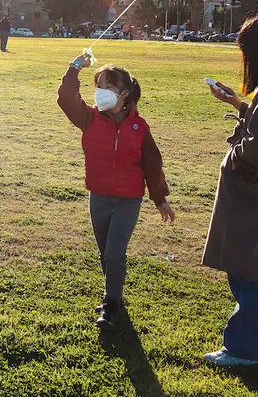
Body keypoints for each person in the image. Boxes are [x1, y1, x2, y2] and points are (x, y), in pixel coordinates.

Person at [58, 52, 175, 329]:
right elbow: (66, 99)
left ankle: (111, 304)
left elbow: (152, 164)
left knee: (114, 252)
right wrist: (74, 67)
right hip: (98, 198)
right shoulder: (89, 118)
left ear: (124, 94)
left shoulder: (139, 126)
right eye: (97, 87)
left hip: (127, 201)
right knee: (105, 253)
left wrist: (159, 199)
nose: (100, 94)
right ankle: (112, 296)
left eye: (107, 88)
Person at [201, 14, 258, 366]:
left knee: (249, 273)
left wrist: (234, 158)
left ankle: (244, 348)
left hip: (255, 198)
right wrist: (238, 104)